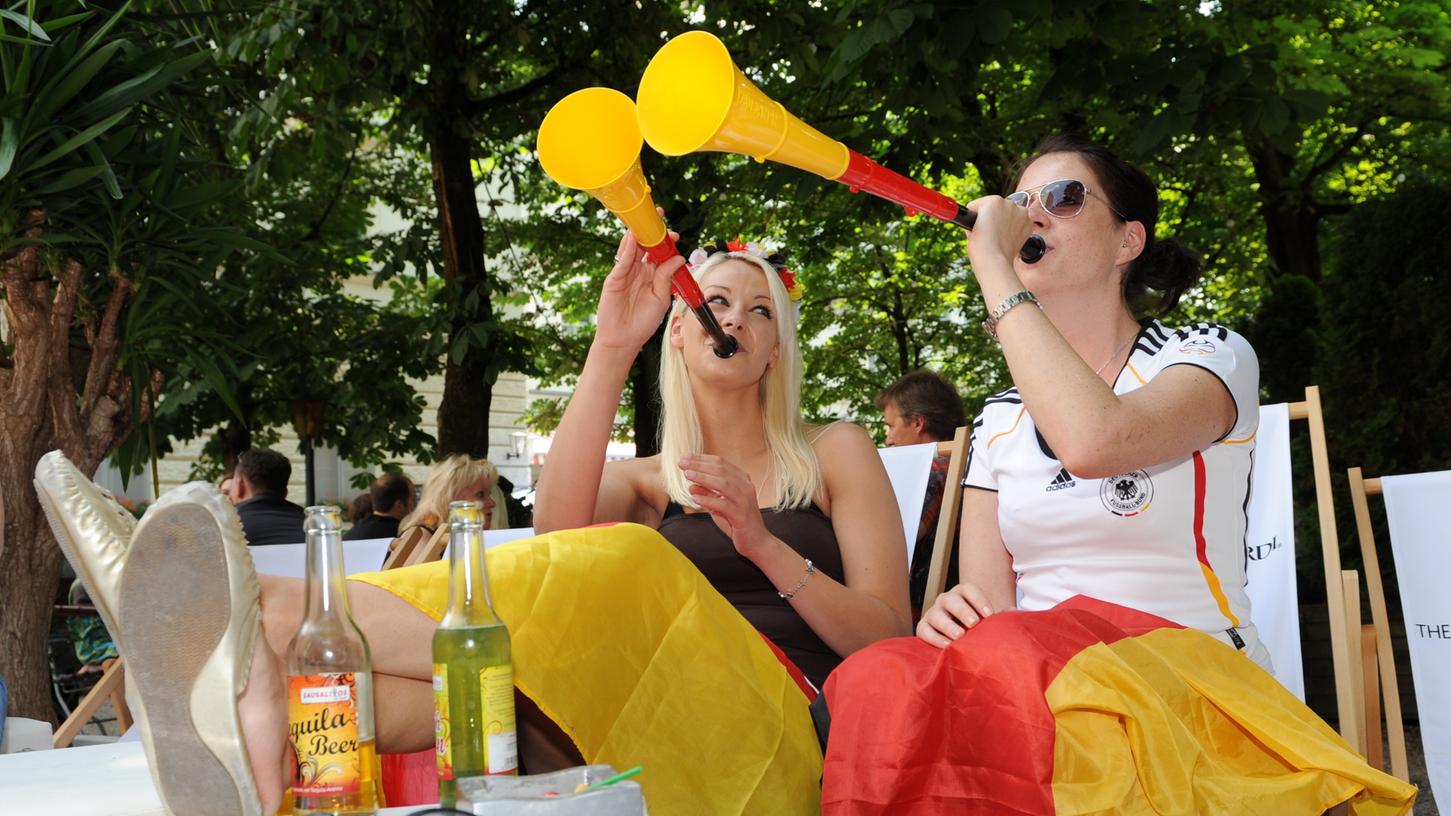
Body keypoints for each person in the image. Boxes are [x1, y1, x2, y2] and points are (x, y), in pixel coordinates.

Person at [34, 227, 909, 815]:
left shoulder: (833, 450)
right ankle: (258, 743)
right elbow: (552, 548)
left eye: (762, 311)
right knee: (469, 680)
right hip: (623, 717)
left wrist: (756, 539)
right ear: (676, 334)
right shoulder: (644, 475)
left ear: (779, 346)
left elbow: (884, 638)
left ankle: (263, 615)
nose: (739, 320)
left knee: (628, 560)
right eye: (715, 302)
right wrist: (610, 343)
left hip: (775, 723)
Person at [819, 135, 1417, 813]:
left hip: (1193, 687)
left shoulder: (1208, 356)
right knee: (879, 676)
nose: (1031, 215)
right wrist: (949, 618)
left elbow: (1095, 440)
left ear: (1126, 241)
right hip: (1041, 697)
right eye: (1020, 202)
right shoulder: (997, 421)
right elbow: (989, 605)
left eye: (1063, 198)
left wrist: (993, 268)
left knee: (1019, 662)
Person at [874, 369, 965, 615]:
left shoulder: (933, 470)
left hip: (922, 618)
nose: (889, 439)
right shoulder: (972, 465)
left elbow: (888, 547)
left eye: (890, 426)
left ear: (917, 423)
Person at [224, 448, 304, 546]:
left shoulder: (224, 525)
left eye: (231, 488)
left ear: (241, 486)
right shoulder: (312, 524)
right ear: (285, 492)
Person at [343, 472, 413, 541]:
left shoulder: (351, 535)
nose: (415, 506)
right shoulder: (404, 536)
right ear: (399, 505)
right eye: (413, 500)